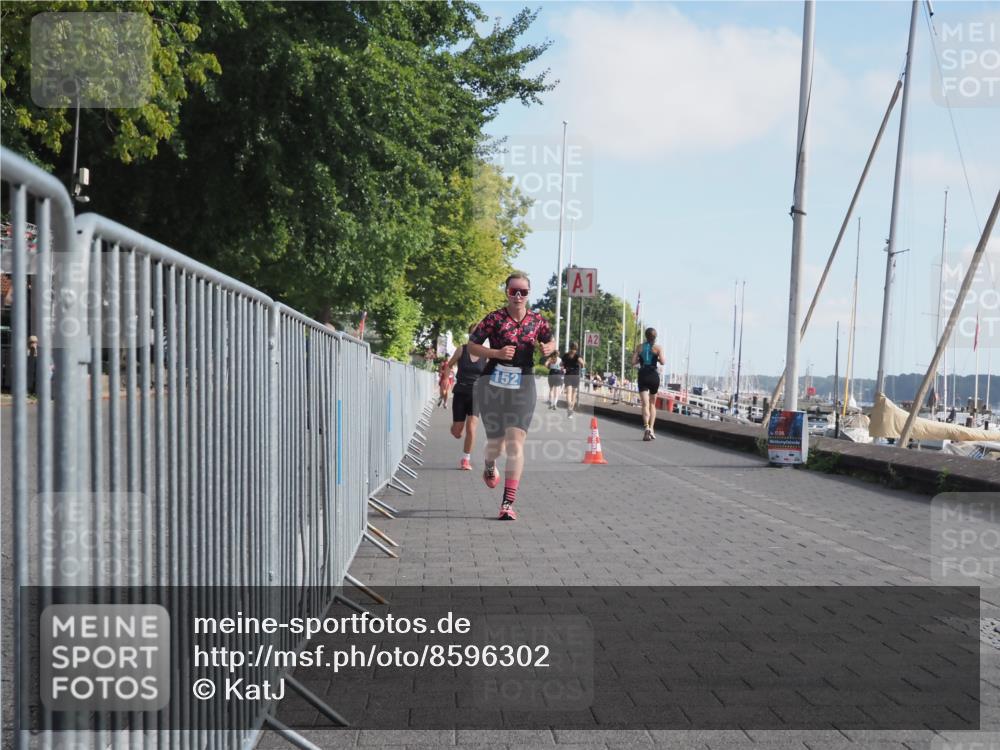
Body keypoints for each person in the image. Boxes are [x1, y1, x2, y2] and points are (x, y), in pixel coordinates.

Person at [466, 272, 555, 520]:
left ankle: (507, 503)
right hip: (493, 383)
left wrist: (549, 348)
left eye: (523, 292)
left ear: (528, 294)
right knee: (496, 444)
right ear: (506, 292)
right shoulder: (494, 319)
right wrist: (495, 353)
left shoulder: (538, 321)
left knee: (515, 442)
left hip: (523, 384)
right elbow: (472, 346)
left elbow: (551, 343)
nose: (518, 296)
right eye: (513, 291)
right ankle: (489, 464)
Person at [446, 327, 485, 470]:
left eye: (480, 333)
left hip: (477, 394)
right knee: (457, 431)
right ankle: (455, 428)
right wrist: (445, 380)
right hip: (461, 391)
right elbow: (449, 365)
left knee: (471, 428)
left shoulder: (486, 354)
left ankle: (465, 459)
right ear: (470, 335)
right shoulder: (461, 350)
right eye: (474, 333)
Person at [632, 327, 666, 440]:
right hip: (653, 375)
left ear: (646, 336)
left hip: (642, 375)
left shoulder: (639, 347)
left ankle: (646, 427)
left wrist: (639, 358)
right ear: (655, 337)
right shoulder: (658, 348)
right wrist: (656, 358)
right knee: (652, 404)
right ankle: (652, 429)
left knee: (645, 404)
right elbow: (663, 362)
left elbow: (633, 362)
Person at [560, 342, 584, 418]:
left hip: (568, 375)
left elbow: (561, 364)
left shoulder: (566, 355)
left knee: (568, 393)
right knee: (574, 394)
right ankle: (571, 410)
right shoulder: (577, 355)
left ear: (570, 347)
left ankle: (569, 406)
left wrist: (564, 366)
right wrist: (582, 365)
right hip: (576, 375)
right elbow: (582, 363)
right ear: (576, 348)